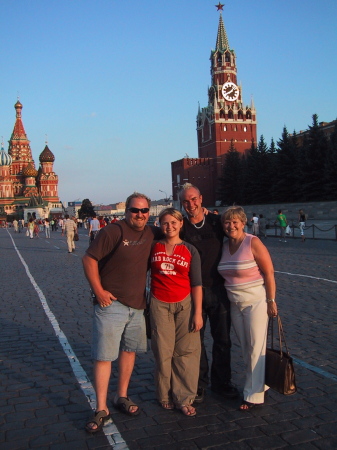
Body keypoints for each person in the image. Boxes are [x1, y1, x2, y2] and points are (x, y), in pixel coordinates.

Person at [82, 192, 161, 433]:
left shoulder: (151, 232)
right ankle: (101, 407)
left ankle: (122, 396)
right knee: (104, 357)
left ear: (149, 213)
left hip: (137, 306)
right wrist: (99, 291)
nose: (140, 214)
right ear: (126, 212)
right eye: (135, 210)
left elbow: (174, 227)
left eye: (144, 211)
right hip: (111, 305)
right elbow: (89, 259)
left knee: (129, 352)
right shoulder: (113, 231)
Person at [179, 183, 238, 403]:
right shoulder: (181, 226)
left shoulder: (216, 222)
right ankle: (199, 384)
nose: (191, 204)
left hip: (218, 289)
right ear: (181, 204)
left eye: (194, 199)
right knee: (196, 342)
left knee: (222, 340)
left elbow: (238, 236)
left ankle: (222, 382)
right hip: (192, 291)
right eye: (186, 201)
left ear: (201, 199)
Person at [218, 206, 278, 410]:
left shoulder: (253, 242)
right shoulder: (224, 245)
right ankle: (262, 381)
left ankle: (253, 394)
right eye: (227, 222)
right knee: (246, 347)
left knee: (256, 348)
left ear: (243, 223)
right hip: (235, 303)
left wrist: (271, 300)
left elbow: (269, 272)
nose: (231, 225)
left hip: (256, 303)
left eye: (235, 221)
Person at [150, 208, 203, 416]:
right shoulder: (154, 247)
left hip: (185, 304)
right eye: (165, 223)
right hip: (159, 303)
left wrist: (197, 313)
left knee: (186, 353)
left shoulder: (190, 250)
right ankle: (164, 394)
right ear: (159, 225)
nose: (169, 226)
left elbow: (197, 283)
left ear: (181, 224)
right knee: (163, 352)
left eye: (174, 222)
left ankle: (184, 397)